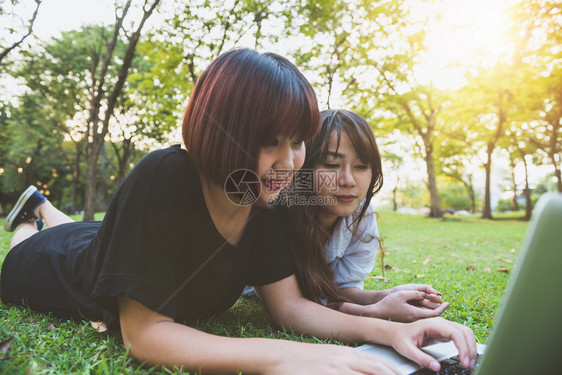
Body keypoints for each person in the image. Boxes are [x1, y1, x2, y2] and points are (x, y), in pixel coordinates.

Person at [1, 49, 476, 374]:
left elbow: (290, 307)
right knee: (36, 242)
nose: (290, 162)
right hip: (41, 266)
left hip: (101, 240)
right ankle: (27, 221)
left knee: (94, 232)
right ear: (222, 129)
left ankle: (41, 212)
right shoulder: (163, 173)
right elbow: (143, 336)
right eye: (270, 141)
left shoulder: (263, 199)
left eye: (297, 142)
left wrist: (394, 332)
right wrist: (284, 358)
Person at [286, 109, 449, 322]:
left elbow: (341, 288)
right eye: (332, 165)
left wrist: (384, 297)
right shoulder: (280, 212)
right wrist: (375, 312)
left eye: (361, 166)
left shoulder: (361, 212)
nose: (348, 180)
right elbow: (292, 303)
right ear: (305, 167)